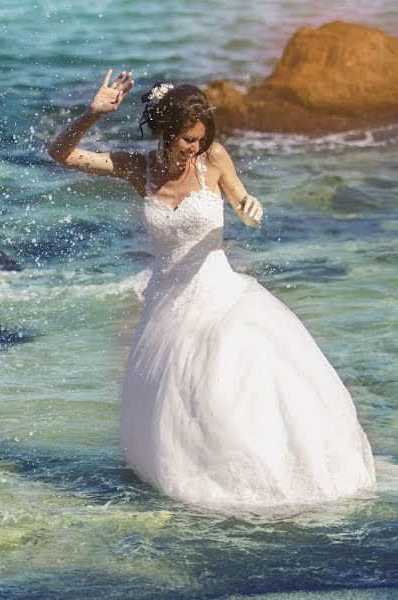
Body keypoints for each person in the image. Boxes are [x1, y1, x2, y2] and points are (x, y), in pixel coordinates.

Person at [48, 69, 375, 510]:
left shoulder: (214, 159)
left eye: (200, 139)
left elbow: (243, 203)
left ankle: (267, 474)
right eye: (186, 140)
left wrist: (249, 209)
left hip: (222, 294)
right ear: (164, 131)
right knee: (181, 410)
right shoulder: (136, 169)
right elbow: (62, 154)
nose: (194, 148)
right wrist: (91, 114)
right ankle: (196, 476)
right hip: (168, 307)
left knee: (240, 377)